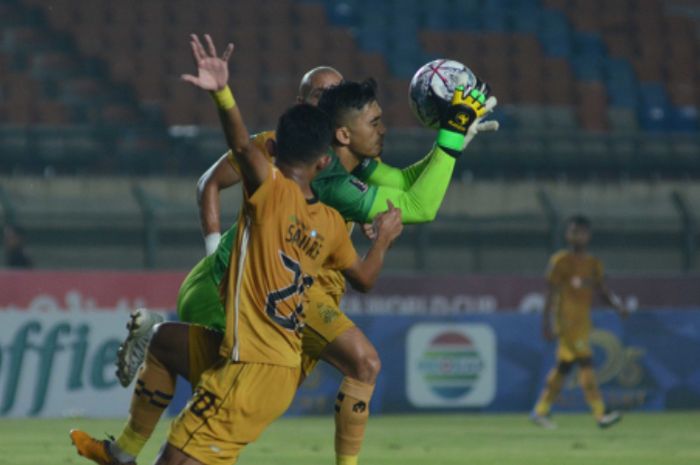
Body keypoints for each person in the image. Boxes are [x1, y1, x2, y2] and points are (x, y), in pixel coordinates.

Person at [71, 41, 497, 465]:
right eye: (318, 99)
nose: (382, 128)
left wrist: (454, 141)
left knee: (200, 363)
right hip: (249, 303)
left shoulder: (324, 176)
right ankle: (130, 449)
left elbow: (409, 190)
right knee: (355, 362)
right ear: (326, 130)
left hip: (268, 323)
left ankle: (125, 448)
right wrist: (449, 140)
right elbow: (413, 213)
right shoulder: (308, 181)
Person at [530, 214, 629, 429]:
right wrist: (546, 323)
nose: (577, 236)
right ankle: (600, 413)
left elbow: (603, 291)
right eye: (574, 231)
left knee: (564, 367)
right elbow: (549, 294)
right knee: (586, 362)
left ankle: (540, 410)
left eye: (581, 232)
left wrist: (617, 306)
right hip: (565, 322)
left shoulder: (593, 264)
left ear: (588, 235)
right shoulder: (560, 262)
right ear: (567, 234)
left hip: (583, 323)